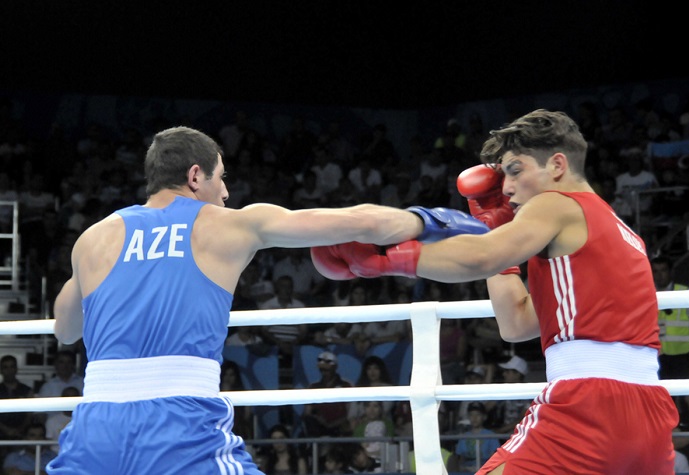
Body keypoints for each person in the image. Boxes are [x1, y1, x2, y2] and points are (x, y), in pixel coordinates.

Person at [50, 126, 485, 474]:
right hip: (180, 423)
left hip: (96, 424)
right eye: (221, 178)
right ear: (195, 175)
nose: (225, 193)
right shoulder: (231, 224)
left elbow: (66, 330)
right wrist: (430, 220)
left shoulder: (94, 238)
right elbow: (362, 221)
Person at [312, 109, 679, 474]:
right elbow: (516, 324)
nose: (506, 187)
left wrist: (384, 260)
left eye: (516, 170)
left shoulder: (556, 204)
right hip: (649, 412)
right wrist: (494, 233)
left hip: (588, 403)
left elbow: (481, 258)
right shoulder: (618, 233)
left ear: (557, 165)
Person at [652, 255, 689, 379]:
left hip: (685, 353)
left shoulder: (684, 292)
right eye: (656, 271)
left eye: (663, 270)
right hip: (658, 355)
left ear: (671, 272)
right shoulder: (648, 294)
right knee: (664, 395)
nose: (659, 275)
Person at [302, 351, 353, 438]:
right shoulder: (313, 387)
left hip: (339, 427)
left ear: (335, 367)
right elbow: (307, 413)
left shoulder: (346, 385)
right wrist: (319, 419)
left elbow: (351, 413)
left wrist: (331, 424)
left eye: (327, 369)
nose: (324, 372)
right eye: (322, 370)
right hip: (319, 428)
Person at [455, 402, 501, 473]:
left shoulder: (491, 435)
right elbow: (460, 460)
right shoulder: (463, 437)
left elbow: (494, 460)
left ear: (484, 417)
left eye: (478, 415)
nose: (474, 418)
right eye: (471, 415)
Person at [0, 355, 34, 444]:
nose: (9, 370)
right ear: (1, 370)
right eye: (5, 367)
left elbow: (29, 415)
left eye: (12, 366)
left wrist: (19, 430)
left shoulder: (27, 390)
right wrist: (6, 430)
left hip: (23, 435)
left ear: (16, 369)